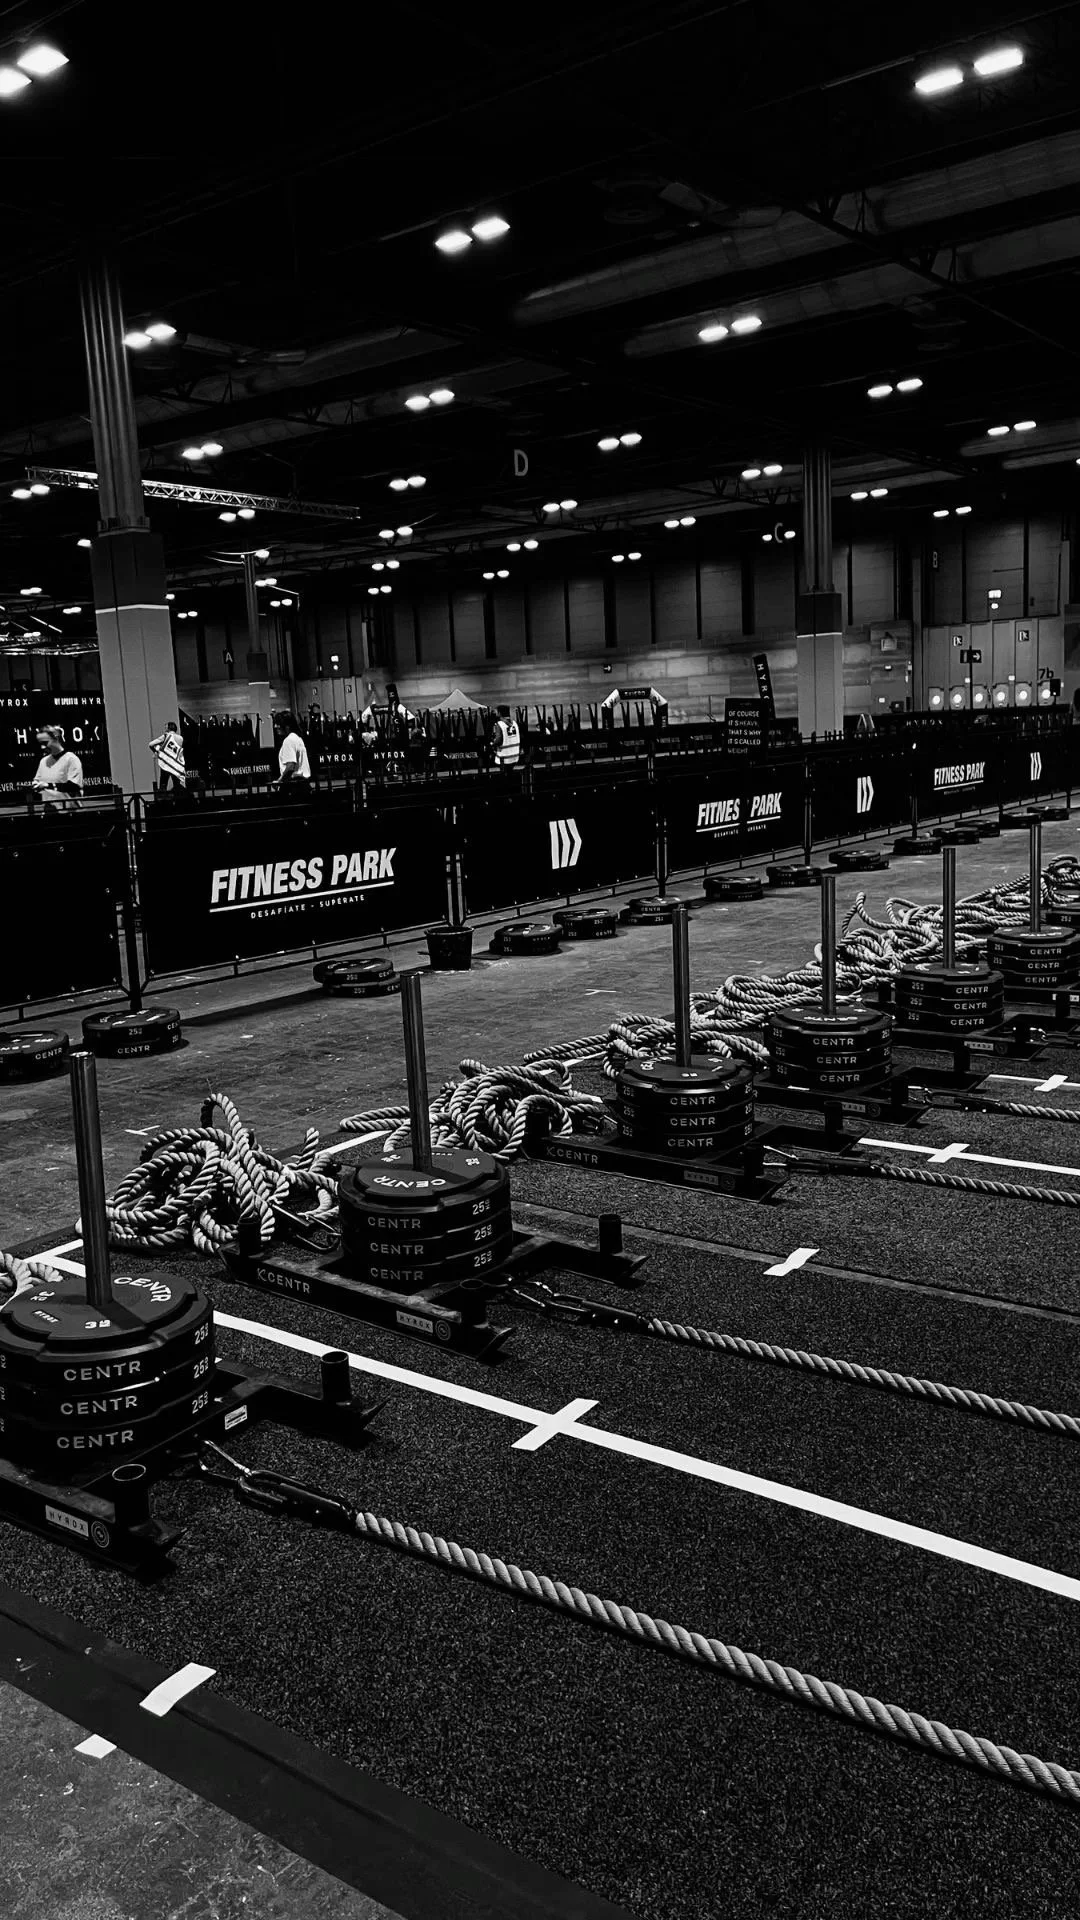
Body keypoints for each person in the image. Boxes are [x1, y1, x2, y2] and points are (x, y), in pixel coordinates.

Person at [29, 727, 83, 810]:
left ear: (56, 738)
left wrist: (48, 785)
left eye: (45, 742)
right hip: (49, 812)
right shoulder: (43, 761)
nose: (42, 747)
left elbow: (74, 786)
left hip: (70, 813)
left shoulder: (71, 759)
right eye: (40, 743)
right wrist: (35, 785)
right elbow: (38, 781)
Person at [272, 713, 312, 794]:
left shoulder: (288, 740)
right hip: (304, 784)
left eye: (278, 724)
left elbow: (290, 766)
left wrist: (279, 781)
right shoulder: (298, 738)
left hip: (293, 787)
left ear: (287, 726)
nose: (275, 726)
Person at [148, 719, 185, 793]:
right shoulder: (180, 738)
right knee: (177, 785)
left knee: (163, 785)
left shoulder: (165, 736)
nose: (165, 729)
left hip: (166, 763)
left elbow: (151, 744)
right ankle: (179, 800)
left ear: (169, 728)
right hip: (175, 764)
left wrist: (156, 752)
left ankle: (163, 801)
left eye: (166, 728)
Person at [492, 705, 521, 770]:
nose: (495, 713)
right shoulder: (515, 723)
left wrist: (492, 744)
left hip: (504, 757)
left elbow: (498, 740)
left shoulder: (500, 724)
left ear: (500, 713)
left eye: (497, 712)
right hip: (515, 756)